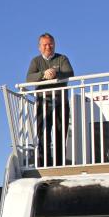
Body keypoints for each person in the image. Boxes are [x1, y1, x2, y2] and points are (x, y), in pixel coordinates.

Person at [26, 33, 74, 167]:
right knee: (43, 134)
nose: (48, 47)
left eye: (50, 44)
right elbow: (29, 78)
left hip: (60, 102)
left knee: (60, 134)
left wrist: (55, 73)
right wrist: (43, 74)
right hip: (43, 103)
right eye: (45, 44)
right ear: (39, 47)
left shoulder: (62, 58)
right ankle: (44, 164)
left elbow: (70, 73)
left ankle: (59, 164)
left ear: (54, 45)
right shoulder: (36, 61)